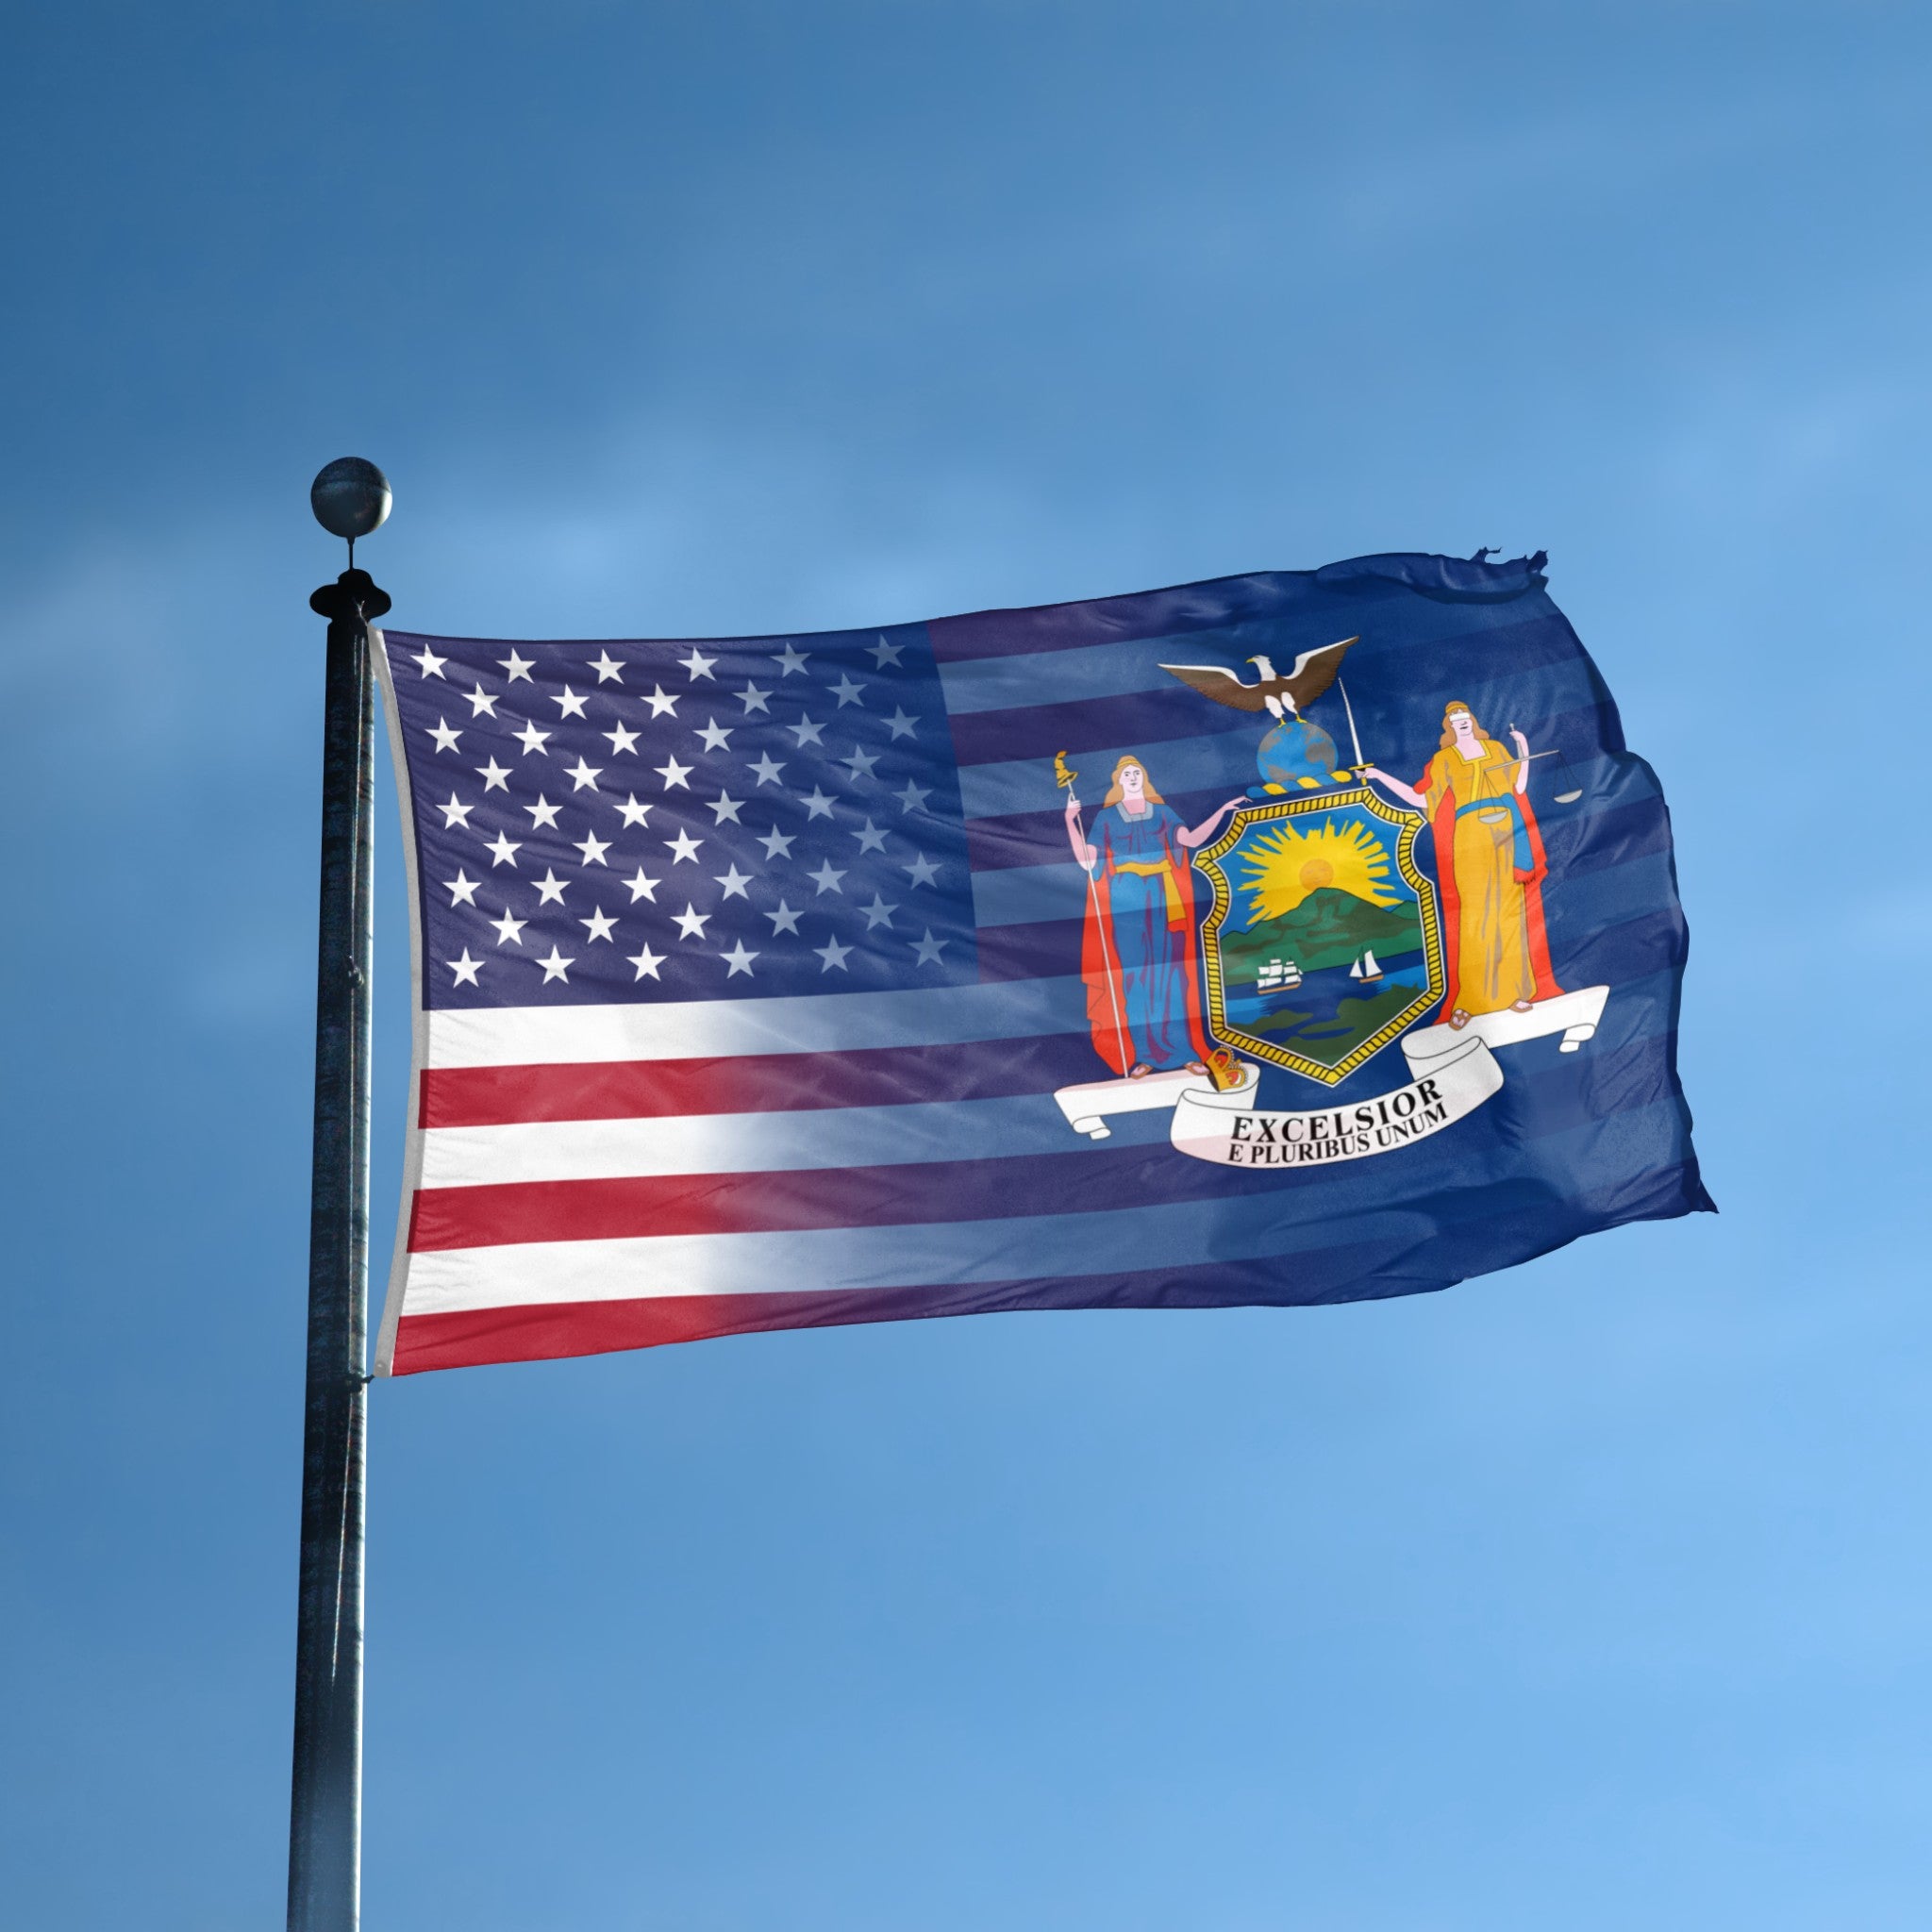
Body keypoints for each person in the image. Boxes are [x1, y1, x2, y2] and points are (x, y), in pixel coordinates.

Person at [1361, 702, 1560, 1029]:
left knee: (1509, 913)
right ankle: (1471, 999)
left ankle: (1515, 994)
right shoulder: (1444, 760)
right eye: (1454, 718)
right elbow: (1421, 799)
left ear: (1473, 721)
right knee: (1474, 916)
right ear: (1448, 726)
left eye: (1464, 717)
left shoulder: (1496, 749)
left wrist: (1523, 747)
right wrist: (1378, 775)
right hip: (1470, 836)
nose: (1461, 722)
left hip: (1505, 831)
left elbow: (1518, 787)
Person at [1063, 758, 1246, 1075]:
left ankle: (1184, 1052)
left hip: (1164, 899)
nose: (1133, 777)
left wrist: (1223, 810)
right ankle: (1146, 1055)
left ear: (1144, 778)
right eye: (1127, 774)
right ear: (1118, 780)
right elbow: (1086, 862)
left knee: (1173, 976)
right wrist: (1070, 821)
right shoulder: (1107, 818)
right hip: (1126, 901)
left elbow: (1190, 841)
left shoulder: (1162, 813)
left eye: (1138, 773)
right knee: (1136, 980)